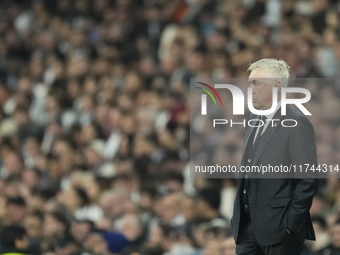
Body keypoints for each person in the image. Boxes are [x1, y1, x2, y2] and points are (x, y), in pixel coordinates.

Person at [230, 59, 319, 255]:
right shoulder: (254, 118)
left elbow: (308, 178)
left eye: (256, 83)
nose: (250, 89)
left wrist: (290, 223)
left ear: (276, 86)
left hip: (279, 229)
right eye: (250, 83)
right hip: (247, 227)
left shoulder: (296, 122)